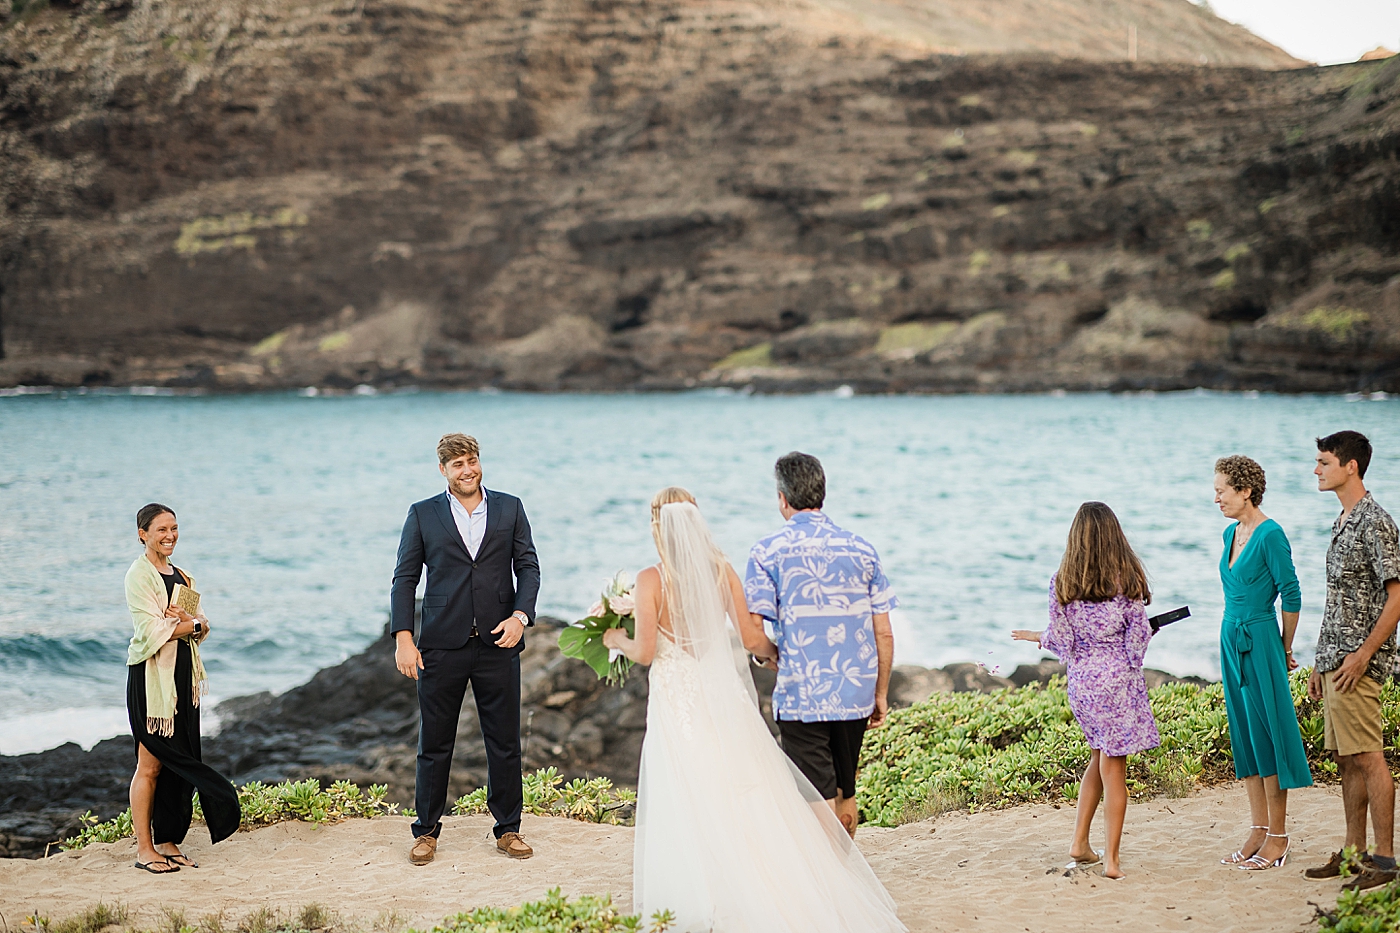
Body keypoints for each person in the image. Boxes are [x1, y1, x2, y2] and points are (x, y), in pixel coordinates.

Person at [603, 488, 905, 933]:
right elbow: (751, 640)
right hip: (721, 694)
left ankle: (699, 898)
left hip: (676, 700)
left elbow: (646, 652)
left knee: (686, 790)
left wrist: (615, 640)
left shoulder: (651, 580)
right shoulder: (722, 572)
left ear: (657, 527)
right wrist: (779, 655)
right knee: (742, 788)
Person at [390, 433, 541, 865]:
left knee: (504, 740)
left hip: (499, 640)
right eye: (457, 464)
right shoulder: (422, 514)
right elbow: (405, 578)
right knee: (435, 742)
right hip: (440, 643)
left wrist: (520, 616)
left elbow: (528, 566)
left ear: (479, 462)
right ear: (443, 470)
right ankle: (426, 832)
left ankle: (508, 829)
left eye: (472, 461)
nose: (467, 470)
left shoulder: (510, 507)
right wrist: (404, 636)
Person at [743, 452, 898, 838]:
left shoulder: (767, 552)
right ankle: (845, 872)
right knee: (846, 791)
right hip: (855, 690)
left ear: (782, 498)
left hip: (803, 692)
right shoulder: (861, 549)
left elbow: (753, 633)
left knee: (814, 798)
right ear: (821, 492)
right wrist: (880, 692)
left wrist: (770, 656)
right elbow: (884, 633)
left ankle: (833, 888)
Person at [1012, 501, 1159, 880]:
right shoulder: (1127, 580)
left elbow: (1062, 641)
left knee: (1098, 757)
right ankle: (1111, 861)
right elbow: (1137, 639)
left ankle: (1080, 844)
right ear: (1115, 537)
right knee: (1115, 770)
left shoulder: (1062, 581)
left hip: (1082, 684)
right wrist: (1133, 655)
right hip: (1116, 681)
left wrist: (1036, 637)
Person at [1304, 431, 1400, 890]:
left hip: (1360, 664)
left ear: (1351, 467)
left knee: (1368, 757)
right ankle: (1354, 852)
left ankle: (1384, 859)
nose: (1316, 470)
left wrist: (1363, 655)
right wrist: (1318, 662)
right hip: (1335, 662)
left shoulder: (1375, 523)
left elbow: (1397, 597)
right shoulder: (1343, 520)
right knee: (1346, 759)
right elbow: (1337, 600)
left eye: (1323, 462)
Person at [124, 503, 241, 874]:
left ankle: (167, 841)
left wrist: (190, 624)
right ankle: (145, 849)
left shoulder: (183, 577)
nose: (170, 535)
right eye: (161, 530)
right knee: (151, 764)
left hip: (183, 680)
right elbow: (152, 633)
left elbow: (202, 626)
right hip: (152, 681)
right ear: (143, 534)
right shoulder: (139, 577)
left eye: (174, 528)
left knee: (177, 764)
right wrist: (188, 625)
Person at [1209, 456, 1311, 872]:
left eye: (1222, 490)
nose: (1216, 498)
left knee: (1268, 735)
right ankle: (1257, 829)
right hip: (1229, 638)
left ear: (1246, 491)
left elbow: (1292, 594)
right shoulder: (1229, 532)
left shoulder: (1272, 535)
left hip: (1262, 639)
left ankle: (1279, 837)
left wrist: (1285, 648)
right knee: (1246, 737)